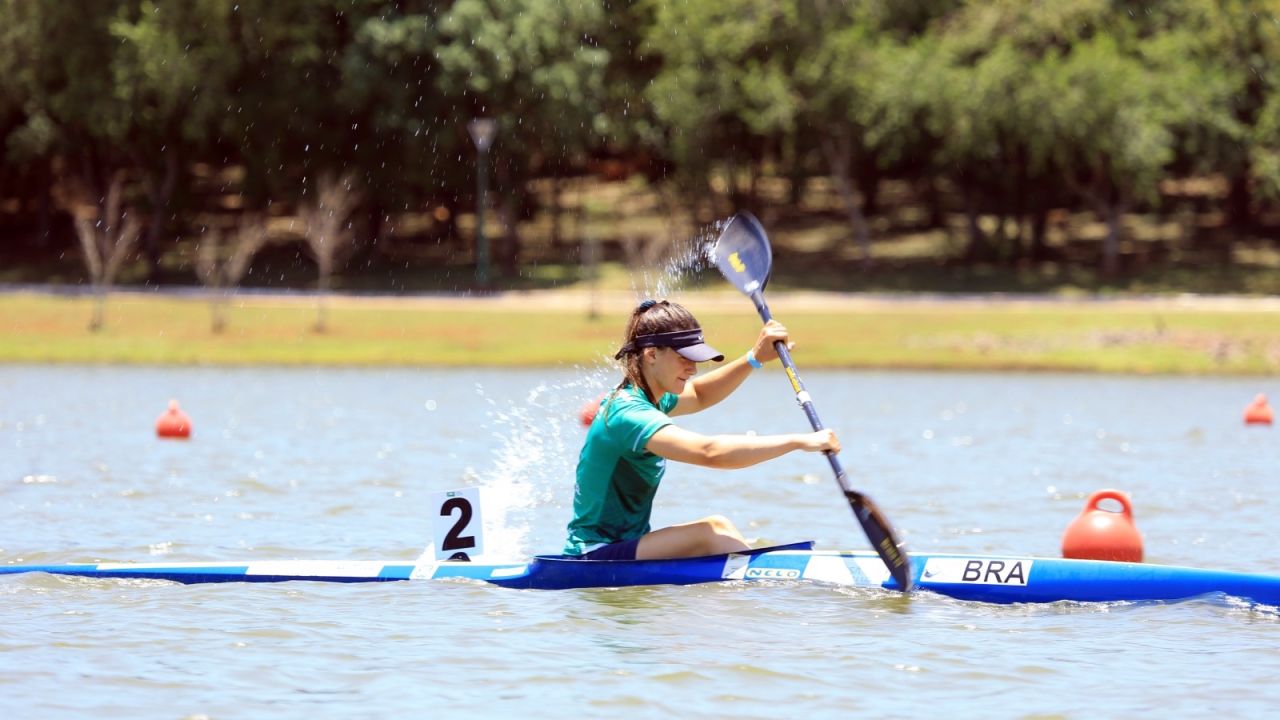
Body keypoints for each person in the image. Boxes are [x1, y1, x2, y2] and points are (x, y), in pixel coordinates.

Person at [563, 299, 840, 561]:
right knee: (710, 534)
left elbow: (699, 394)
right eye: (685, 358)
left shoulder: (649, 396)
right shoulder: (628, 414)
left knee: (719, 526)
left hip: (621, 547)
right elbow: (711, 453)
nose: (693, 368)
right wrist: (800, 442)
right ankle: (765, 586)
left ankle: (759, 583)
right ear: (651, 354)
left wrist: (754, 358)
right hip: (593, 554)